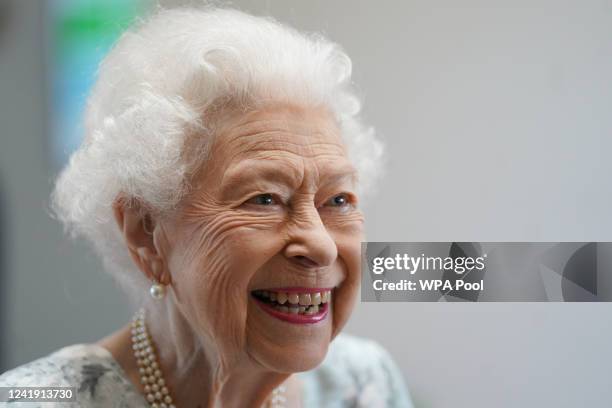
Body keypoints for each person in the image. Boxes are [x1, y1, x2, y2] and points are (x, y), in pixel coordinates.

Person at [0, 6, 413, 407]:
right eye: (264, 199)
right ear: (146, 232)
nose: (321, 246)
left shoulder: (364, 384)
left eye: (338, 200)